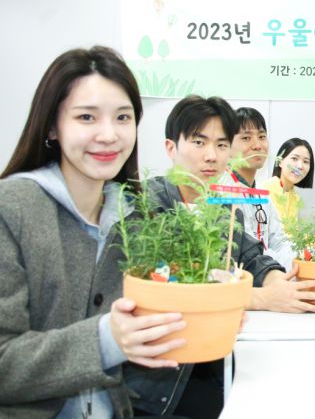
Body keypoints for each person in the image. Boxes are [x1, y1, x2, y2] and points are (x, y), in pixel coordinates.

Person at [0, 46, 184, 418]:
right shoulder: (12, 208)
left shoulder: (136, 217)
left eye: (123, 117)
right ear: (52, 125)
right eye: (86, 117)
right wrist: (106, 340)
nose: (109, 135)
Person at [126, 96, 315, 418]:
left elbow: (251, 253)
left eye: (221, 144)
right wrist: (260, 298)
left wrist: (279, 282)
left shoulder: (219, 206)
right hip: (160, 382)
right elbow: (167, 287)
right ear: (170, 148)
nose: (212, 155)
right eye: (199, 142)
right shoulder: (146, 203)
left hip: (216, 356)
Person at [218, 106, 294, 270]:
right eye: (246, 138)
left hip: (268, 272)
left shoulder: (261, 193)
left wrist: (303, 257)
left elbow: (279, 242)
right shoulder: (223, 192)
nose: (257, 145)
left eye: (262, 137)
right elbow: (246, 255)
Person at [260, 137, 314, 225]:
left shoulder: (296, 197)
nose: (300, 166)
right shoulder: (264, 190)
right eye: (294, 158)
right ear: (280, 161)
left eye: (305, 161)